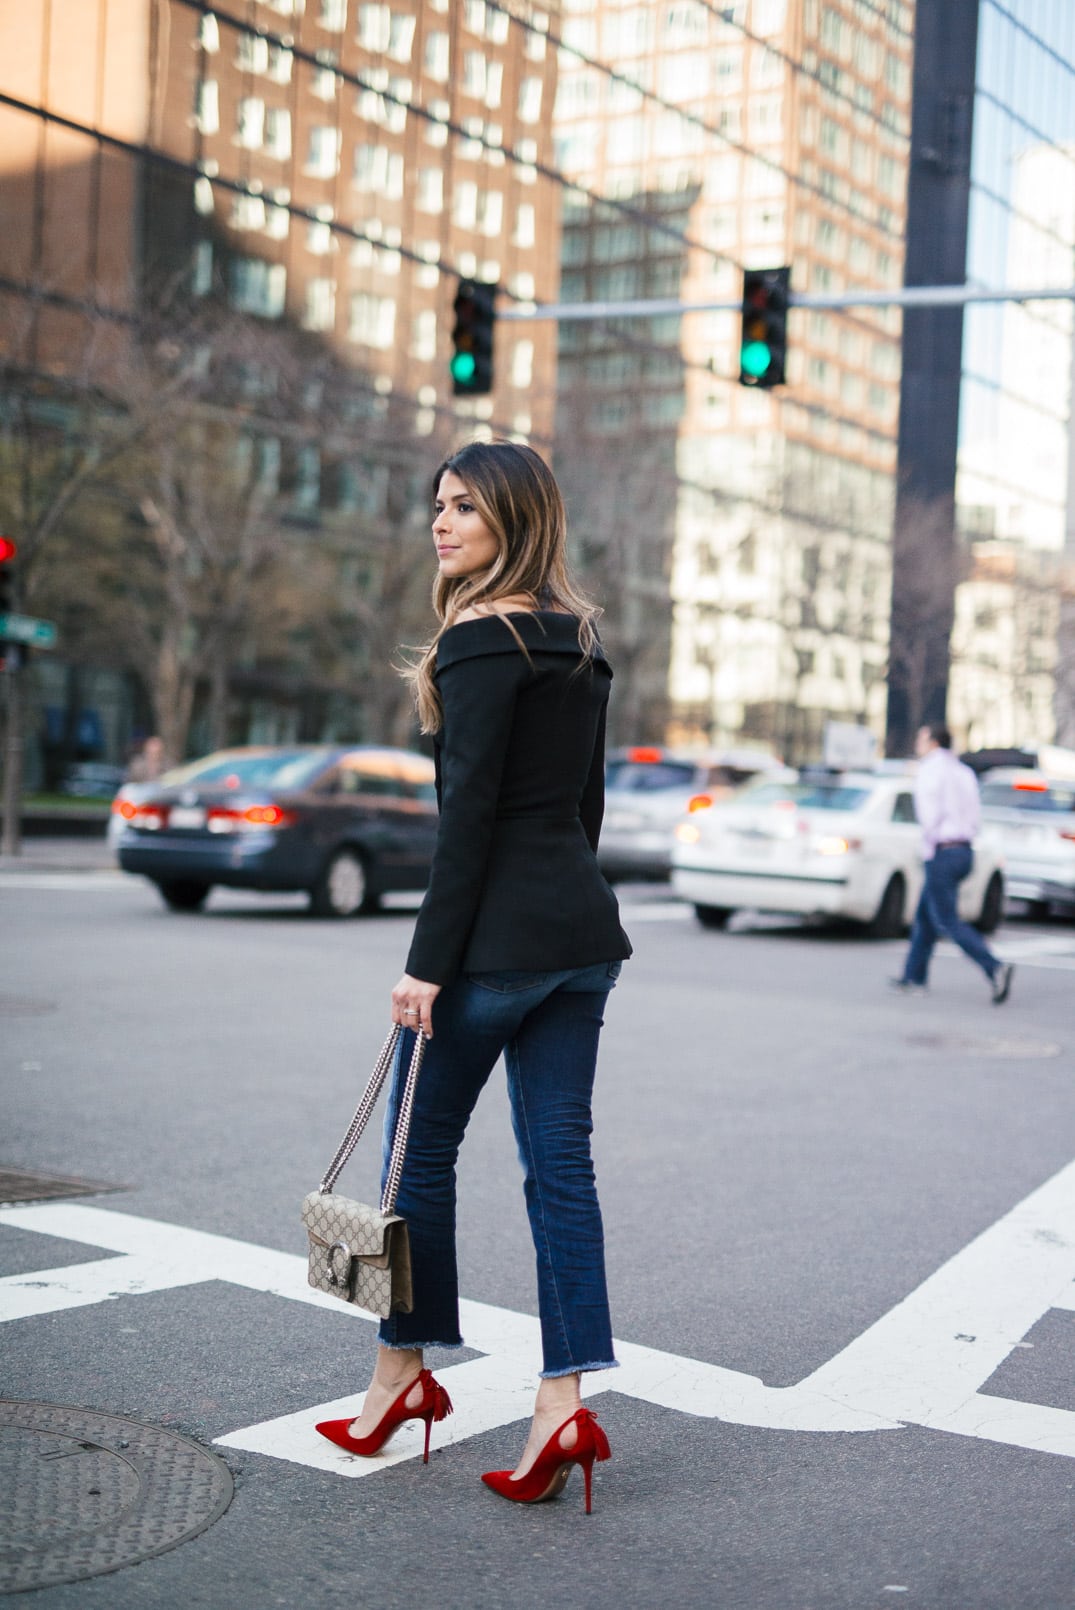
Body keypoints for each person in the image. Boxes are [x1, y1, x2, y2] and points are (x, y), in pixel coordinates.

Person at [314, 441, 632, 1513]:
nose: (441, 524)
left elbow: (470, 827)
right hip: (581, 941)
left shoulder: (477, 640)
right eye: (437, 506)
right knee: (561, 1170)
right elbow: (583, 814)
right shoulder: (580, 641)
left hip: (493, 946)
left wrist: (423, 966)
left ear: (514, 518)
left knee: (417, 1163)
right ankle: (563, 1402)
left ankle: (400, 1376)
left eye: (464, 508)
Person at [890, 723, 1013, 1002]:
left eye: (921, 738)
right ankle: (913, 977)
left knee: (945, 920)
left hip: (942, 851)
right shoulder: (963, 772)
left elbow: (929, 814)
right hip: (964, 849)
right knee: (925, 915)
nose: (918, 744)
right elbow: (974, 815)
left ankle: (994, 967)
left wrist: (929, 847)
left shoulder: (931, 770)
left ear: (933, 742)